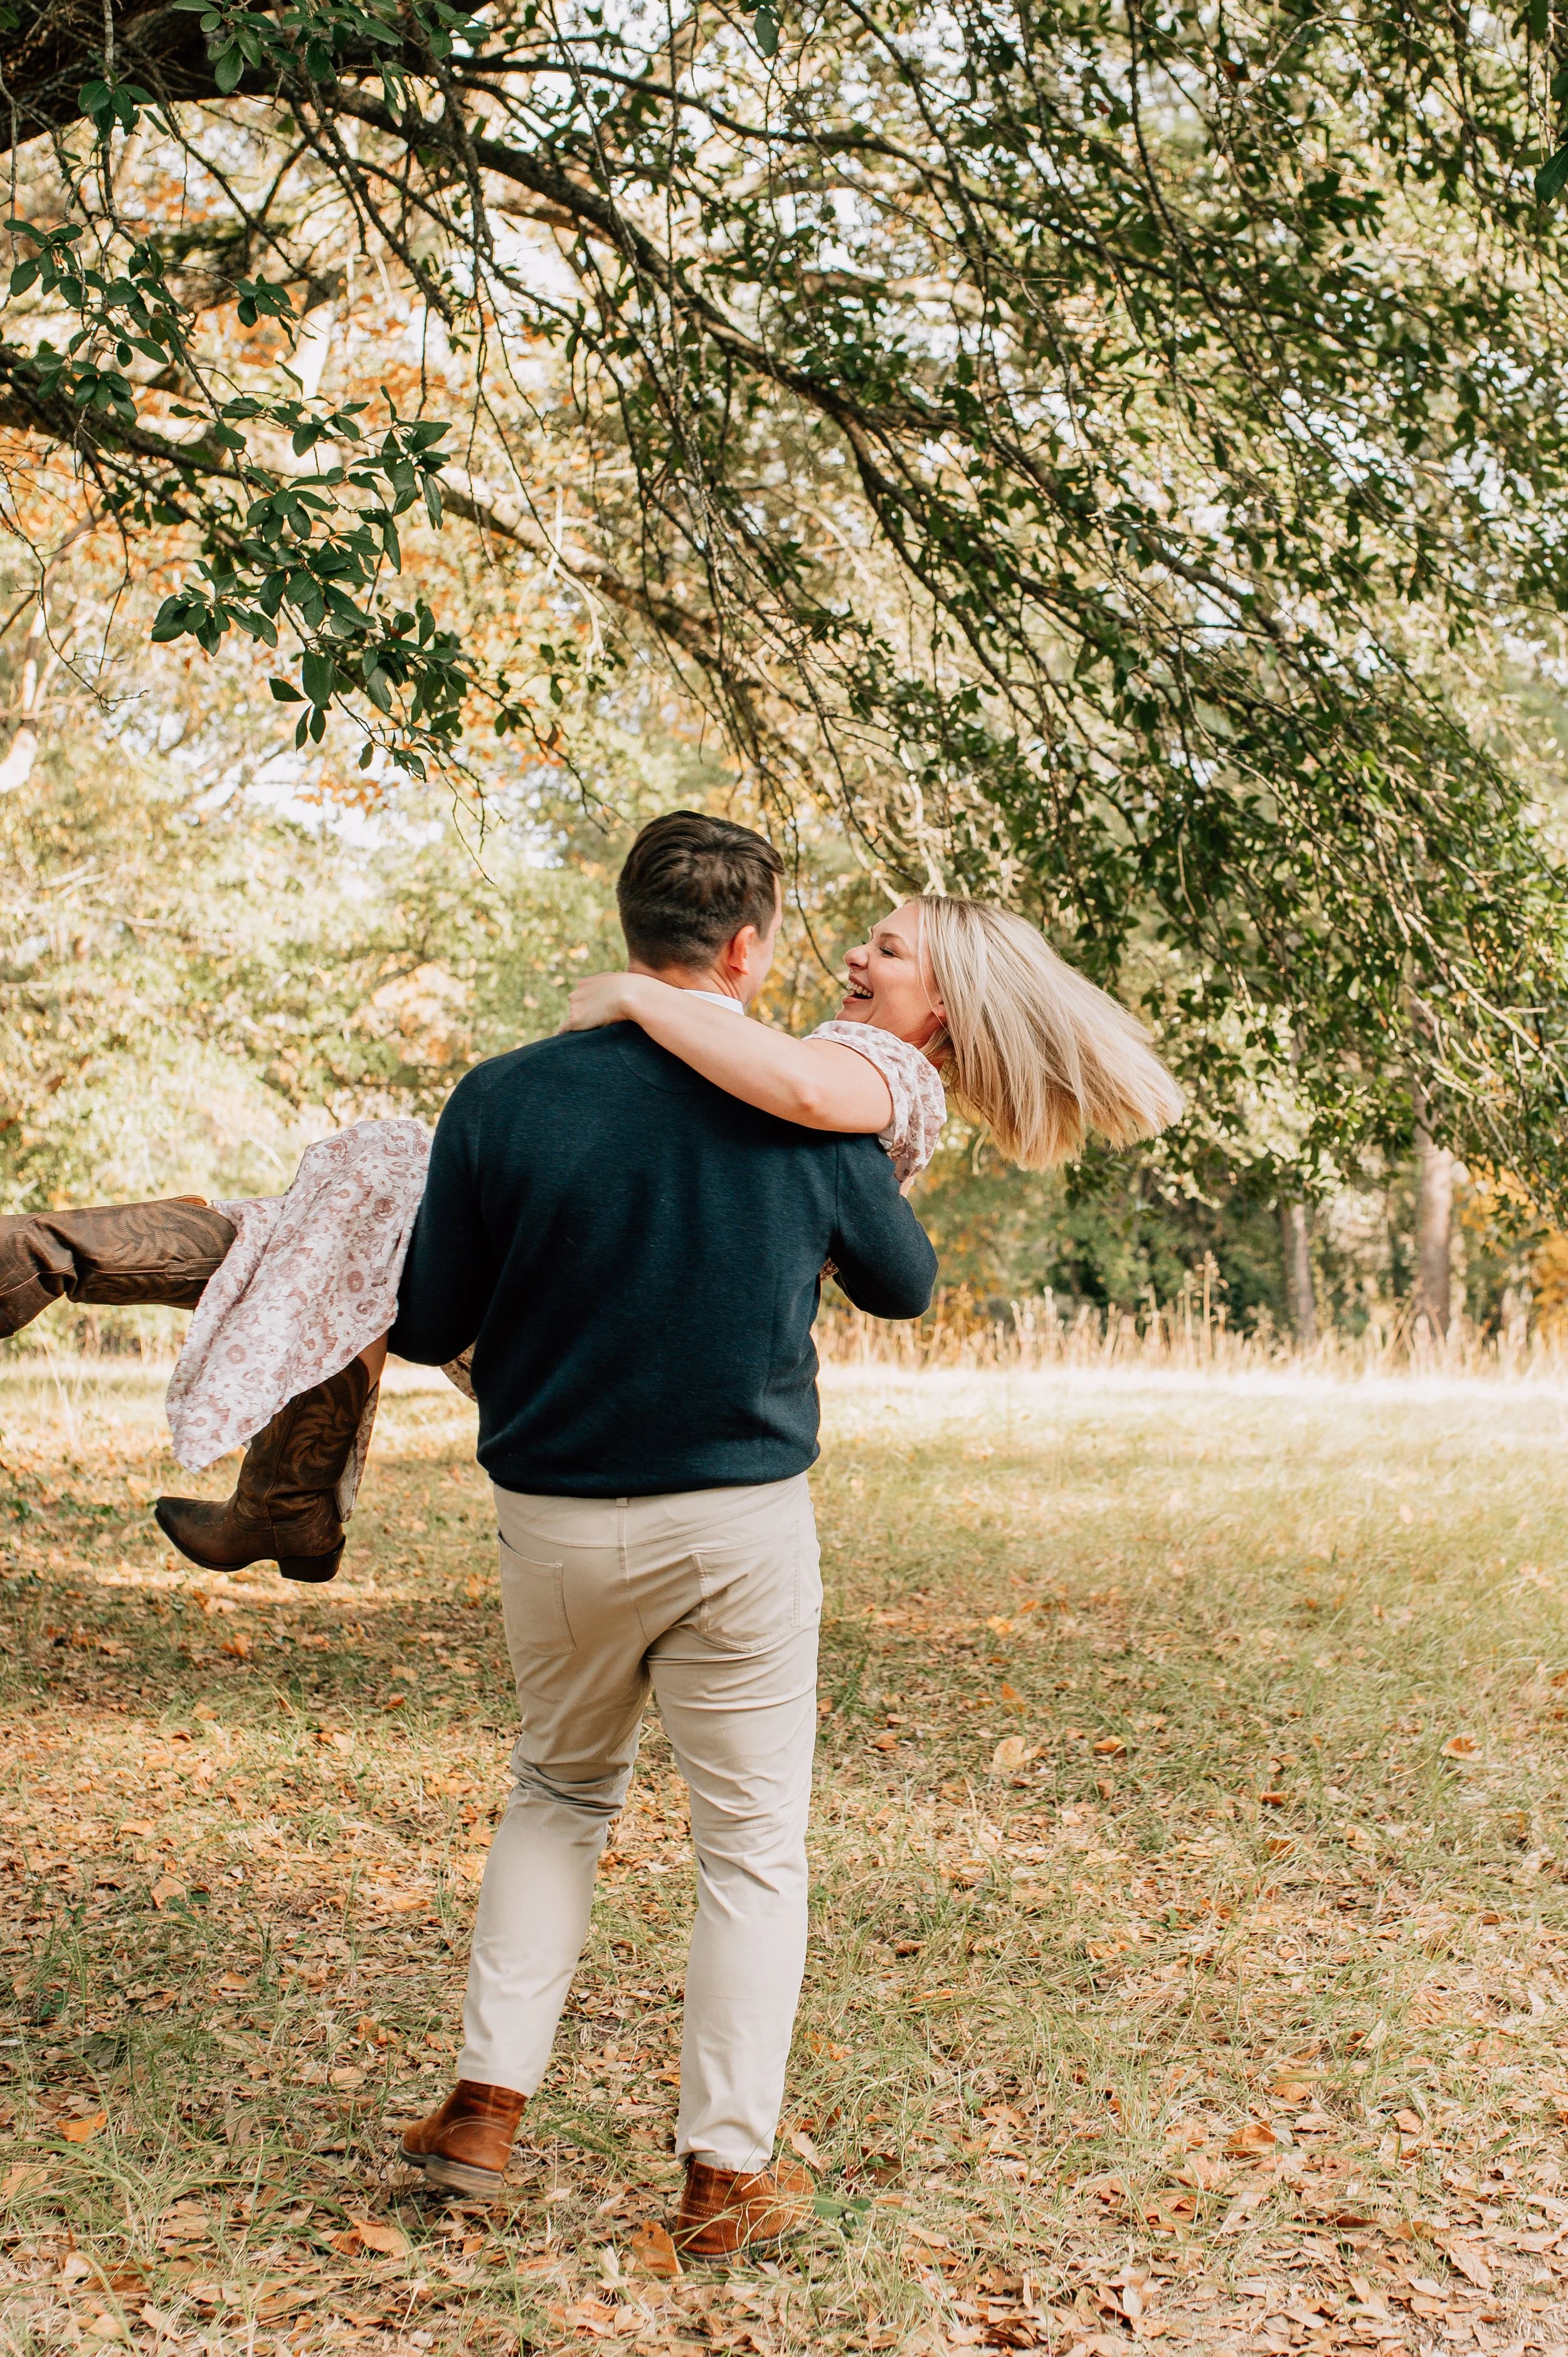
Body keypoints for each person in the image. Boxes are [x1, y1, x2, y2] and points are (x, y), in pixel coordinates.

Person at [0, 836, 1182, 1586]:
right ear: (745, 948)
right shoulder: (824, 1055)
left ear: (944, 1002)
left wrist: (641, 998)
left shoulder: (879, 1077)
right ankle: (89, 1294)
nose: (858, 960)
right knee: (329, 1221)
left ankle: (252, 1457)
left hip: (644, 1303)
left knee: (349, 1209)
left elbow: (796, 1092)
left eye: (887, 949)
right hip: (635, 1288)